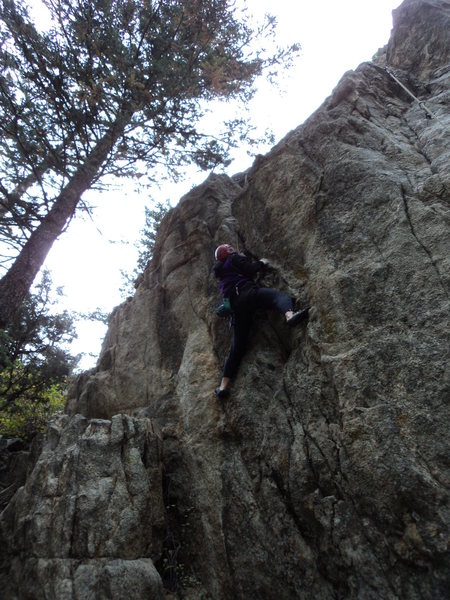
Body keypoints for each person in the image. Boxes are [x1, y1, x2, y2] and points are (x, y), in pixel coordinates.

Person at [213, 244, 309, 398]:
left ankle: (223, 387)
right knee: (279, 297)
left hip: (236, 307)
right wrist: (262, 263)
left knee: (237, 347)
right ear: (228, 252)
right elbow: (251, 270)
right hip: (248, 293)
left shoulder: (222, 273)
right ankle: (290, 316)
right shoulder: (233, 259)